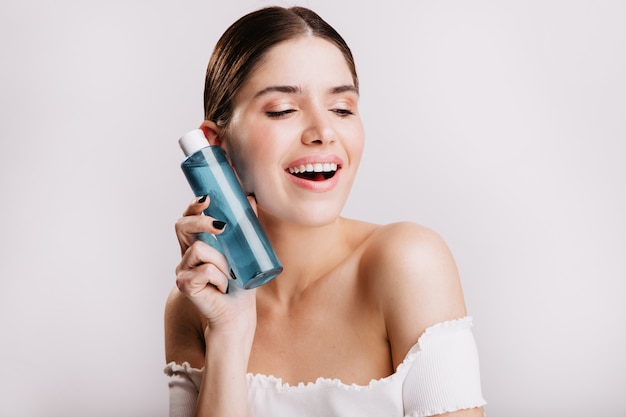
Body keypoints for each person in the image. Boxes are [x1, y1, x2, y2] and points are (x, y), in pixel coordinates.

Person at [164, 6, 486, 417]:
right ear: (214, 145)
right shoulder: (193, 302)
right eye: (282, 109)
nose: (323, 132)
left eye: (342, 109)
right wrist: (228, 333)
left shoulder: (408, 263)